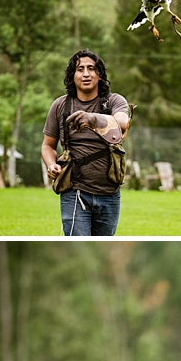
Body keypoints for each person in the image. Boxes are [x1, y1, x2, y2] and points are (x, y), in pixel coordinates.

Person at [41, 51, 130, 238]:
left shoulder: (114, 101)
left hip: (110, 193)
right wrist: (51, 164)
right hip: (75, 190)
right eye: (80, 69)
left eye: (91, 68)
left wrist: (93, 119)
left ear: (100, 74)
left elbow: (123, 122)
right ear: (72, 76)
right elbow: (48, 145)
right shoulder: (60, 106)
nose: (86, 74)